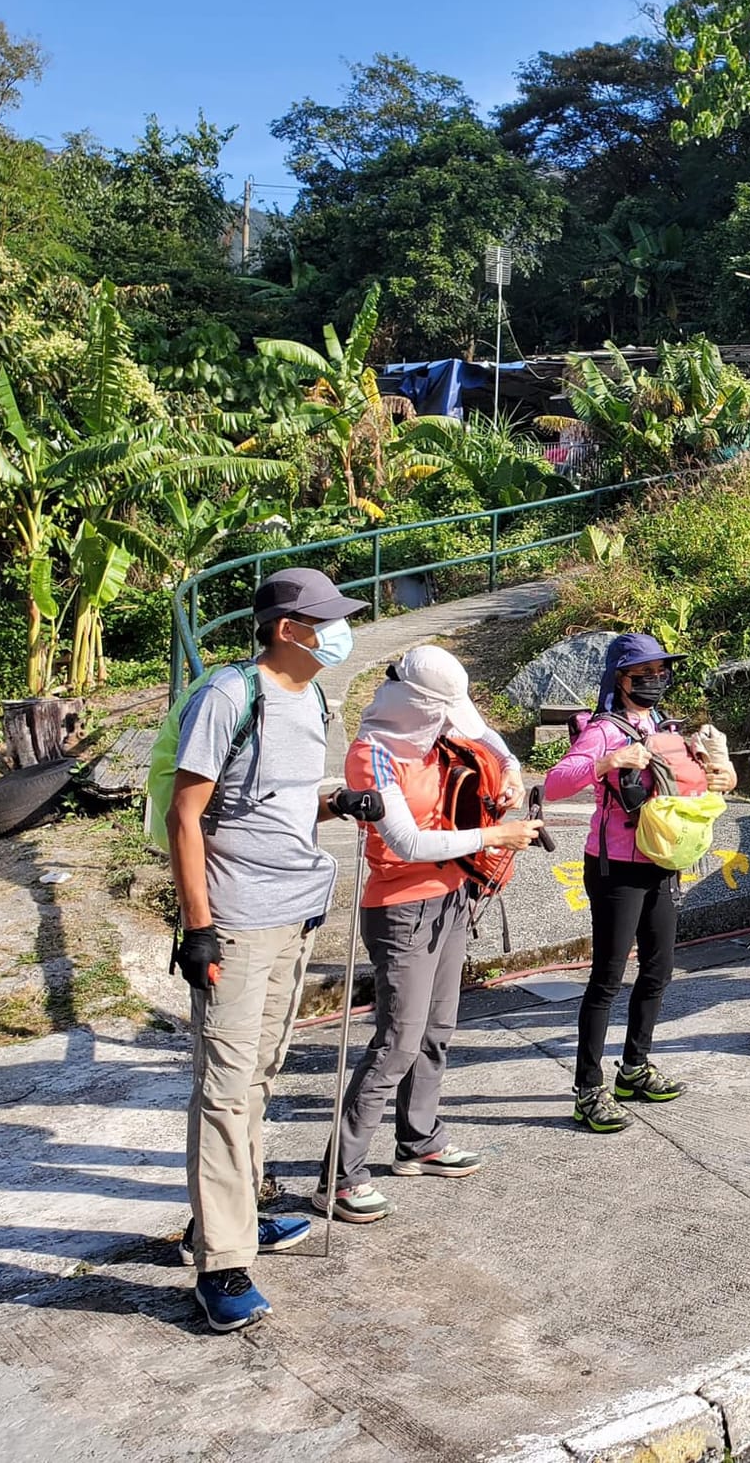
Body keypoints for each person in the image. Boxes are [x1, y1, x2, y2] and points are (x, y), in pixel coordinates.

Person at [167, 567, 380, 1333]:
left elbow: (277, 800)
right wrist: (198, 927)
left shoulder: (311, 698)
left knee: (258, 1071)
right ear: (287, 629)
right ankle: (222, 1265)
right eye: (325, 620)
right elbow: (186, 814)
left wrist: (336, 802)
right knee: (224, 1086)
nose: (338, 631)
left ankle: (231, 1215)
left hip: (296, 915)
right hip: (237, 922)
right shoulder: (230, 695)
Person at [313, 646, 543, 1220]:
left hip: (453, 897)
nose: (451, 720)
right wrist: (495, 837)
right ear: (416, 702)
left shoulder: (439, 728)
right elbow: (406, 844)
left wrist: (510, 776)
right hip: (401, 909)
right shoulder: (372, 755)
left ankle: (420, 1141)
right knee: (397, 1043)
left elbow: (494, 743)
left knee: (439, 1029)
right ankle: (339, 1176)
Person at [543, 633, 736, 1131]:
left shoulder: (667, 729)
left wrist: (721, 776)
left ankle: (634, 1068)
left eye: (660, 672)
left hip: (661, 861)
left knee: (659, 970)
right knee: (606, 979)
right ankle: (588, 1088)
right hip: (615, 868)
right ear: (619, 679)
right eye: (641, 674)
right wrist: (607, 762)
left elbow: (700, 781)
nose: (653, 680)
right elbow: (556, 783)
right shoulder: (604, 730)